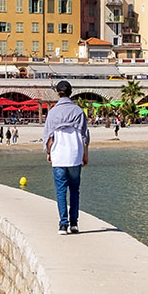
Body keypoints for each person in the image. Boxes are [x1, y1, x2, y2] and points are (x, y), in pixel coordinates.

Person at [43, 80, 90, 234]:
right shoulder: (78, 111)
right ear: (71, 92)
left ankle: (63, 224)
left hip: (59, 155)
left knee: (61, 191)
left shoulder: (53, 112)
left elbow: (48, 137)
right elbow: (85, 136)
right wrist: (85, 155)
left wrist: (49, 153)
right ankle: (74, 223)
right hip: (75, 155)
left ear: (57, 93)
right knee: (75, 190)